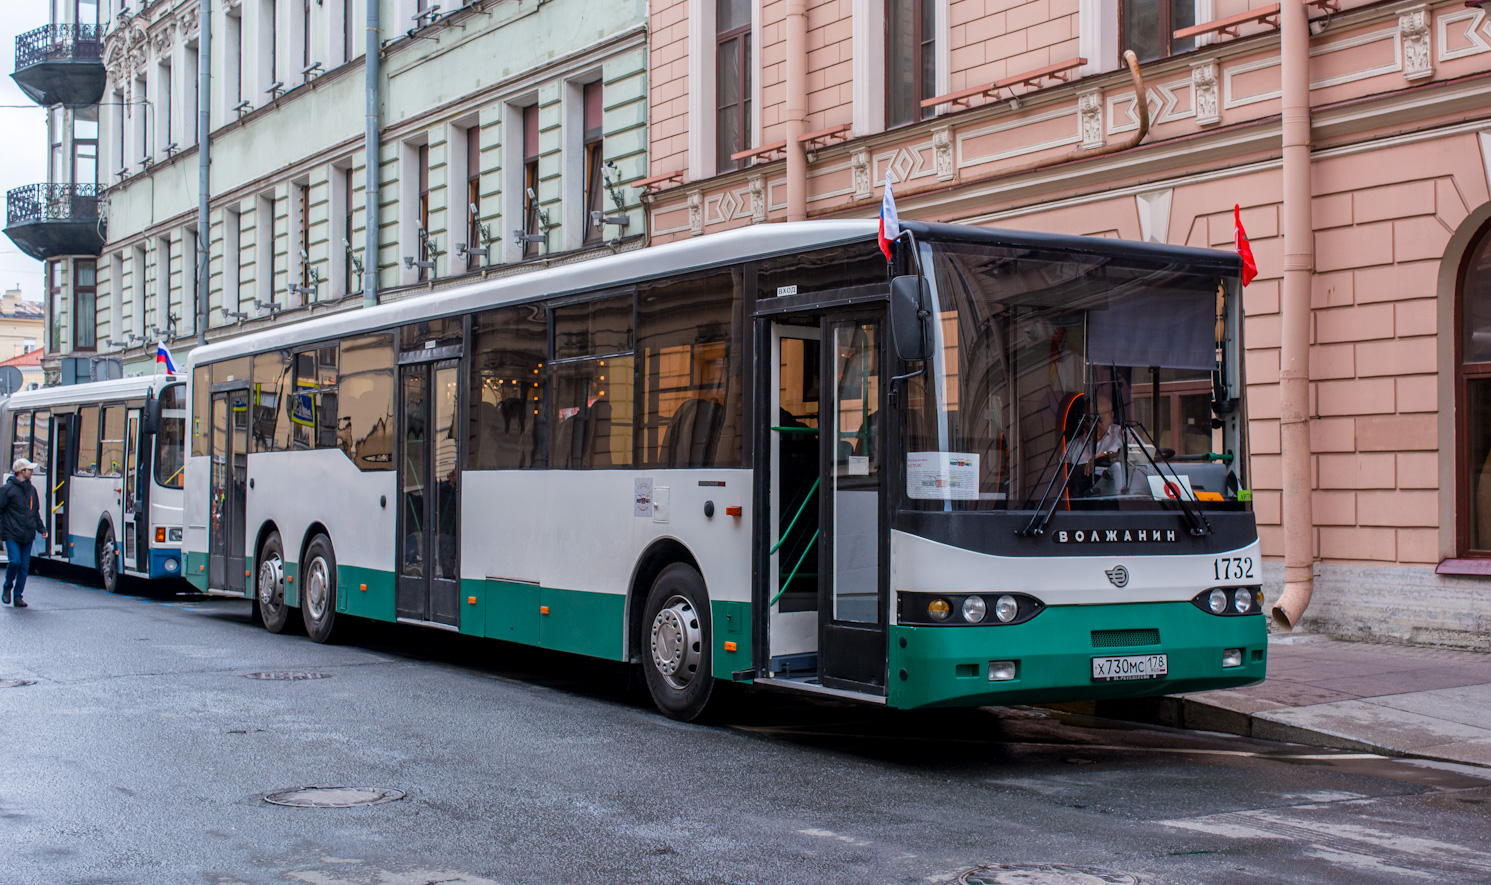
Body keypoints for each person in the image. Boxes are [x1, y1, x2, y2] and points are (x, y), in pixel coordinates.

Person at [0, 458, 47, 608]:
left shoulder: (31, 490)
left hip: (27, 534)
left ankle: (18, 596)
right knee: (15, 561)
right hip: (12, 533)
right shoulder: (7, 489)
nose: (32, 472)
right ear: (21, 472)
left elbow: (35, 512)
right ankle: (7, 587)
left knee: (24, 567)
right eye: (29, 469)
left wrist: (42, 529)